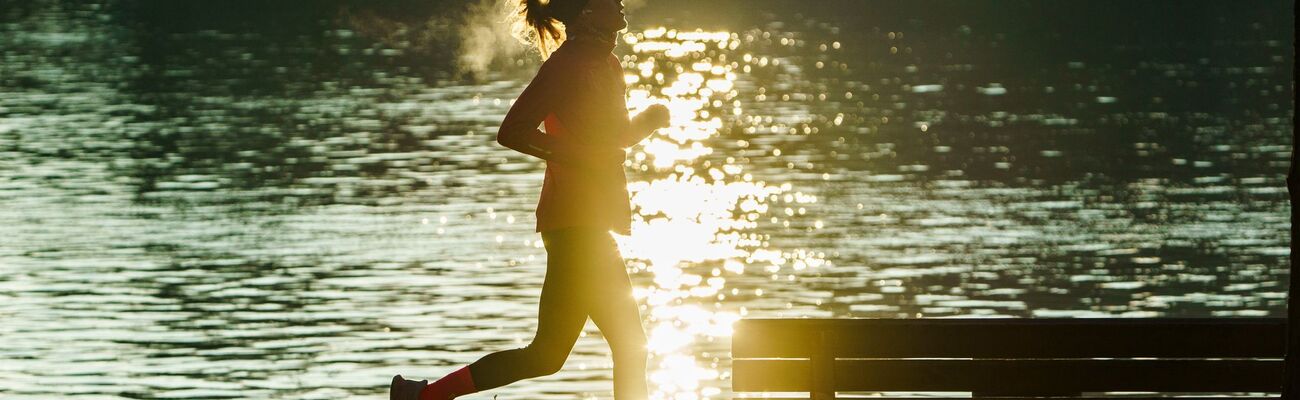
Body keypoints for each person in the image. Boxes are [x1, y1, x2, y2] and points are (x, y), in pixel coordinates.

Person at [390, 0, 670, 399]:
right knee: (628, 346)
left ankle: (424, 397)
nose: (621, 3)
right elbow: (513, 131)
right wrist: (575, 156)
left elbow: (611, 139)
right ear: (588, 11)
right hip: (574, 225)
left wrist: (648, 122)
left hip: (590, 224)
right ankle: (424, 398)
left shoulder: (608, 64)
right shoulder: (566, 65)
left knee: (548, 355)